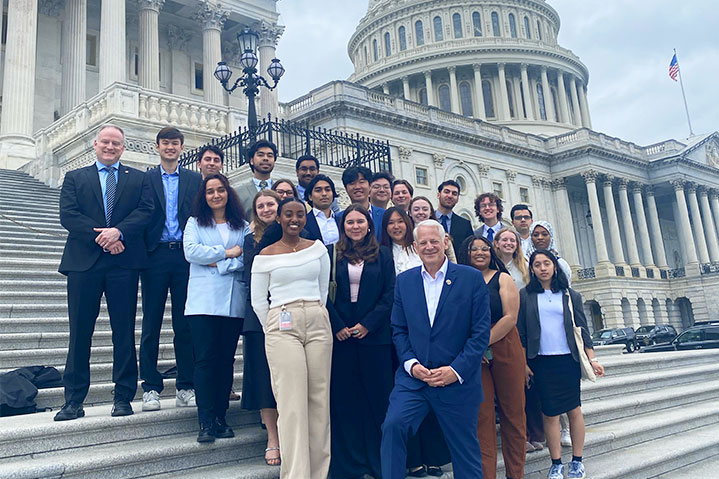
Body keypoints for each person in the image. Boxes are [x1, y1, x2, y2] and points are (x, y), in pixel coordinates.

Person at [54, 124, 154, 421]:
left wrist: (119, 232)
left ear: (123, 148)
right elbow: (69, 215)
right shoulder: (75, 178)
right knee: (79, 332)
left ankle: (123, 396)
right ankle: (73, 400)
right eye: (105, 142)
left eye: (116, 143)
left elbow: (146, 212)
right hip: (84, 262)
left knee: (123, 332)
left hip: (123, 263)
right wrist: (104, 238)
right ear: (95, 144)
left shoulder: (138, 178)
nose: (110, 147)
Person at [380, 219, 491, 479]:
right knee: (393, 427)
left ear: (445, 243)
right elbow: (399, 328)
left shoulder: (471, 278)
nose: (429, 247)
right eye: (423, 242)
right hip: (414, 380)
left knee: (464, 450)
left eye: (434, 241)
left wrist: (455, 370)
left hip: (457, 380)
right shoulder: (405, 281)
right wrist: (411, 364)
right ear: (415, 247)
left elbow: (480, 333)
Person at [251, 197, 332, 479]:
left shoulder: (318, 249)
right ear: (279, 218)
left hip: (316, 319)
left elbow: (323, 290)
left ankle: (319, 473)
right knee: (291, 402)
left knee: (319, 400)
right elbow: (259, 301)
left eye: (300, 214)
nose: (294, 219)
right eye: (288, 214)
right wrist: (273, 327)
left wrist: (312, 313)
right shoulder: (264, 256)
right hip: (282, 322)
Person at [517, 250, 605, 479]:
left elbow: (583, 329)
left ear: (555, 267)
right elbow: (522, 333)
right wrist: (525, 363)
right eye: (537, 265)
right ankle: (556, 462)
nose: (543, 268)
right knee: (550, 413)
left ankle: (577, 460)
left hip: (568, 360)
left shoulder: (570, 295)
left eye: (547, 263)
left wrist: (592, 358)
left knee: (574, 410)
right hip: (541, 361)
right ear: (532, 270)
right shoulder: (525, 296)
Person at [381, 208, 452, 477]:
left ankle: (434, 455)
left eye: (401, 221)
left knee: (432, 396)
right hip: (399, 331)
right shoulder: (385, 253)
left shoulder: (422, 246)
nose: (396, 226)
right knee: (406, 403)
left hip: (431, 333)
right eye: (391, 223)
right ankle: (413, 458)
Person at [329, 204, 395, 479]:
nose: (354, 226)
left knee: (377, 402)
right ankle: (351, 465)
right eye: (349, 222)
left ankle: (379, 464)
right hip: (342, 338)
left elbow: (390, 293)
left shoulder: (383, 254)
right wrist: (340, 326)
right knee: (346, 401)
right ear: (343, 226)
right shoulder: (333, 253)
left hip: (374, 337)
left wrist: (368, 324)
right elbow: (323, 291)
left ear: (369, 225)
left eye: (360, 221)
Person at [183, 173, 250, 442]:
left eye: (220, 190)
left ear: (228, 192)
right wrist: (226, 253)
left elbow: (245, 257)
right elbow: (191, 252)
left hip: (232, 301)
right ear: (204, 195)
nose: (215, 195)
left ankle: (221, 416)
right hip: (202, 303)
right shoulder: (195, 222)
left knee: (226, 361)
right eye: (210, 191)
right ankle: (206, 419)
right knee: (205, 360)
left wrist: (216, 261)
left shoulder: (242, 226)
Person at [140, 127, 202, 412]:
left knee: (184, 325)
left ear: (181, 148)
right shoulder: (146, 179)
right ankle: (150, 387)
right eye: (165, 143)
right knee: (151, 324)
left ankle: (185, 385)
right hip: (155, 256)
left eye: (175, 143)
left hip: (184, 258)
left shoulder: (194, 179)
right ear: (157, 147)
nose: (170, 147)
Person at [458, 236, 526, 479]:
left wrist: (480, 343)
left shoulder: (502, 278)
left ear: (492, 252)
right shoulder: (459, 281)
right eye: (473, 249)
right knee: (481, 418)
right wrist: (474, 349)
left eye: (484, 248)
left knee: (513, 414)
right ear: (465, 253)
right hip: (475, 356)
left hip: (504, 344)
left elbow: (510, 317)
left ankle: (515, 474)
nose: (479, 252)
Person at [494, 227, 544, 453]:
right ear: (496, 243)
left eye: (511, 240)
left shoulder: (525, 266)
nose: (508, 243)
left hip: (525, 325)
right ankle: (520, 436)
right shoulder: (493, 267)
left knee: (529, 384)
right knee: (513, 387)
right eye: (503, 239)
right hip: (504, 327)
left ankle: (535, 433)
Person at [241, 189, 282, 465]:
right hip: (258, 314)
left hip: (289, 311)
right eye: (261, 206)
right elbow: (250, 275)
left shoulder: (293, 233)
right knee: (264, 378)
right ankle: (273, 439)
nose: (266, 209)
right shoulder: (249, 240)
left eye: (271, 204)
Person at [340, 166, 385, 240]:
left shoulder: (384, 215)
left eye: (361, 182)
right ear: (346, 188)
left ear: (370, 186)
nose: (357, 187)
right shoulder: (339, 217)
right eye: (352, 183)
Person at [235, 139, 278, 217]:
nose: (265, 158)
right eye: (260, 155)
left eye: (270, 155)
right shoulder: (238, 193)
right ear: (251, 160)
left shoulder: (282, 190)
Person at [410, 196, 457, 264]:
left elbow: (453, 262)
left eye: (425, 209)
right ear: (410, 213)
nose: (421, 212)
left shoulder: (443, 235)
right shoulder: (405, 237)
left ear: (431, 212)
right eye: (416, 209)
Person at [524, 221, 572, 286]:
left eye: (544, 234)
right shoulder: (524, 262)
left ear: (551, 237)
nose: (540, 238)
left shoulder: (561, 264)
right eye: (536, 235)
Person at [303, 174, 340, 246]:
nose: (324, 194)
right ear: (310, 196)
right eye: (318, 190)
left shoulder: (342, 220)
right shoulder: (304, 222)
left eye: (328, 190)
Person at [435, 180, 474, 247]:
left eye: (454, 193)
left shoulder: (465, 225)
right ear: (438, 195)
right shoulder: (427, 220)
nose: (450, 196)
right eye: (446, 192)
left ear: (457, 199)